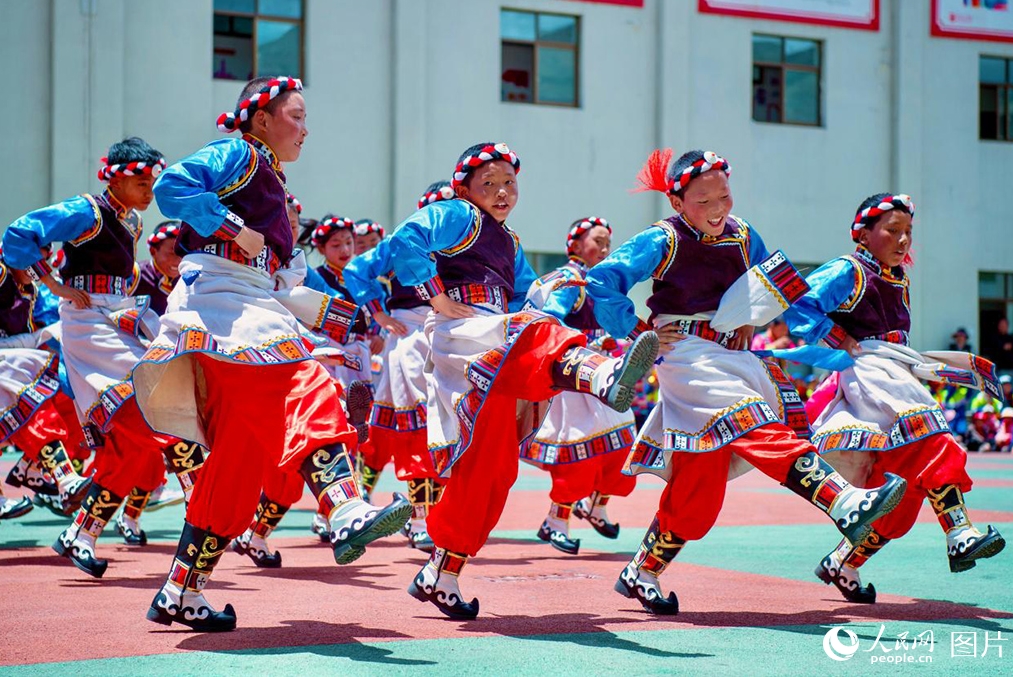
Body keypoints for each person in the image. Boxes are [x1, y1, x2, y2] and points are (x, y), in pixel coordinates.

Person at [131, 76, 409, 631]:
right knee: (304, 384)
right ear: (261, 119)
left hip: (242, 304)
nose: (306, 129)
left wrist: (340, 317)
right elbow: (175, 187)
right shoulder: (238, 152)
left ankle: (181, 591)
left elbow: (283, 285)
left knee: (238, 462)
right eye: (297, 116)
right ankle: (347, 508)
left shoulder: (269, 179)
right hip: (226, 303)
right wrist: (234, 227)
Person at [585, 149, 907, 615]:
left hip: (733, 354)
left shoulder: (742, 234)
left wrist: (775, 323)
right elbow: (602, 280)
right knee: (754, 423)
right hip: (686, 356)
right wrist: (641, 333)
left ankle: (643, 570)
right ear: (677, 202)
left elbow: (780, 287)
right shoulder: (663, 239)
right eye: (703, 201)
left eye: (724, 196)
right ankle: (844, 501)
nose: (717, 209)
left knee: (702, 482)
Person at [385, 142, 660, 619]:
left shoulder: (508, 240)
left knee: (491, 472)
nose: (502, 191)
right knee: (535, 333)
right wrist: (434, 296)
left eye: (509, 182)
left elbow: (525, 293)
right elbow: (405, 240)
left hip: (494, 338)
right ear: (463, 188)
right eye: (488, 183)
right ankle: (605, 376)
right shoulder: (457, 215)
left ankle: (440, 572)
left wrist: (555, 285)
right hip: (466, 331)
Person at [791, 193, 1005, 604]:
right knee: (935, 440)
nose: (903, 240)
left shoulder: (896, 279)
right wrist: (841, 339)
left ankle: (842, 562)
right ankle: (959, 534)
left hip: (893, 372)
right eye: (892, 230)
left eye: (908, 231)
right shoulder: (850, 270)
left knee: (901, 497)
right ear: (863, 233)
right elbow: (798, 306)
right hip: (868, 375)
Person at [2, 137, 187, 578]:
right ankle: (203, 502)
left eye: (151, 182)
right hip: (87, 323)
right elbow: (21, 232)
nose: (148, 190)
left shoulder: (134, 219)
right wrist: (54, 284)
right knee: (153, 400)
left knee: (127, 448)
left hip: (117, 317)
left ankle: (79, 535)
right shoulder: (87, 211)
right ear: (116, 179)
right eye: (141, 181)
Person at [342, 182, 454, 552]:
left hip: (451, 335)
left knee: (414, 430)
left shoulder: (471, 241)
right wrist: (381, 315)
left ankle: (359, 504)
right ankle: (417, 519)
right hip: (412, 339)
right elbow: (357, 270)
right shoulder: (404, 240)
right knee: (416, 430)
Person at [521, 216, 637, 553]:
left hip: (604, 374)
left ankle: (596, 506)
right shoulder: (568, 280)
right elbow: (550, 321)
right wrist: (587, 344)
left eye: (607, 243)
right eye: (597, 241)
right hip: (575, 378)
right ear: (574, 246)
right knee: (578, 452)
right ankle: (557, 521)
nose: (603, 248)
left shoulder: (600, 281)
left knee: (623, 447)